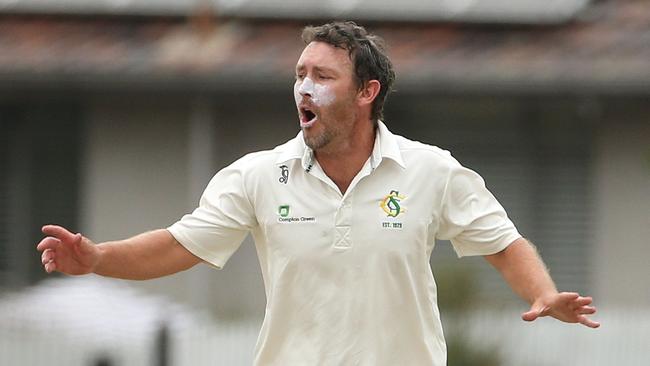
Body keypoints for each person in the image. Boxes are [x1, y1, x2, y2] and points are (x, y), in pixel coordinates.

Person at [37, 21, 599, 365]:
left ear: (367, 92)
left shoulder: (432, 170)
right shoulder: (256, 174)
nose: (304, 86)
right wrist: (99, 258)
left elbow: (503, 242)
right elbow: (180, 245)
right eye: (300, 73)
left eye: (324, 76)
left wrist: (542, 293)